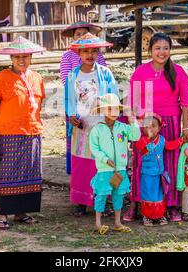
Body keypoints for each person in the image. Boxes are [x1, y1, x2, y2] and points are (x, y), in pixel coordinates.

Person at [127, 32, 188, 222]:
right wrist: (134, 128)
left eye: (165, 48)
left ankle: (171, 205)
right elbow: (132, 101)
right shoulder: (141, 71)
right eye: (157, 48)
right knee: (142, 165)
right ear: (150, 50)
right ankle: (136, 204)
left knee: (169, 165)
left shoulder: (178, 72)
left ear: (171, 50)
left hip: (170, 123)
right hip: (146, 125)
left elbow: (186, 103)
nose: (162, 52)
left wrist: (186, 127)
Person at [0, 37, 46, 230]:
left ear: (31, 57)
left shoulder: (37, 77)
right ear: (11, 58)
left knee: (29, 172)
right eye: (17, 57)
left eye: (25, 56)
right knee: (8, 174)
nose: (21, 60)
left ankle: (21, 212)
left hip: (33, 131)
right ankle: (3, 214)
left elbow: (39, 104)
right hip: (8, 132)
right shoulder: (1, 77)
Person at [65, 33, 117, 217]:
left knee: (102, 163)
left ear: (98, 53)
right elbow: (69, 100)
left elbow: (114, 96)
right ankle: (81, 200)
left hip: (102, 124)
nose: (90, 55)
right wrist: (72, 117)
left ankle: (103, 199)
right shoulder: (73, 75)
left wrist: (111, 117)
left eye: (94, 51)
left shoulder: (105, 73)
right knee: (82, 163)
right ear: (79, 53)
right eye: (86, 51)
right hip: (82, 126)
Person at [89, 93, 140, 235]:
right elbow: (94, 148)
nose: (114, 112)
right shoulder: (97, 129)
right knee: (101, 195)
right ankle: (98, 223)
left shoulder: (123, 127)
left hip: (120, 170)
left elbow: (135, 136)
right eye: (110, 109)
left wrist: (133, 121)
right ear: (103, 110)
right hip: (104, 170)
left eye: (117, 109)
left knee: (118, 195)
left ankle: (118, 222)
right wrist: (105, 159)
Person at [60, 21, 107, 175]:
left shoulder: (98, 57)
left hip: (97, 107)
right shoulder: (67, 56)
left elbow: (104, 80)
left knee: (97, 142)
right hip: (77, 104)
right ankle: (79, 176)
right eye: (78, 35)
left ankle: (97, 176)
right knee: (78, 142)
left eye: (85, 33)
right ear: (73, 38)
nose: (82, 37)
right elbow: (66, 81)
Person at [134, 113, 185, 226]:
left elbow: (170, 146)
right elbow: (141, 150)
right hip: (147, 174)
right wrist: (147, 141)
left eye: (153, 126)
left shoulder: (161, 139)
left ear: (159, 128)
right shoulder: (142, 140)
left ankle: (159, 215)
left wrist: (181, 141)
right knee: (147, 195)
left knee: (159, 195)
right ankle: (147, 217)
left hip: (159, 174)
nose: (150, 128)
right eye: (147, 126)